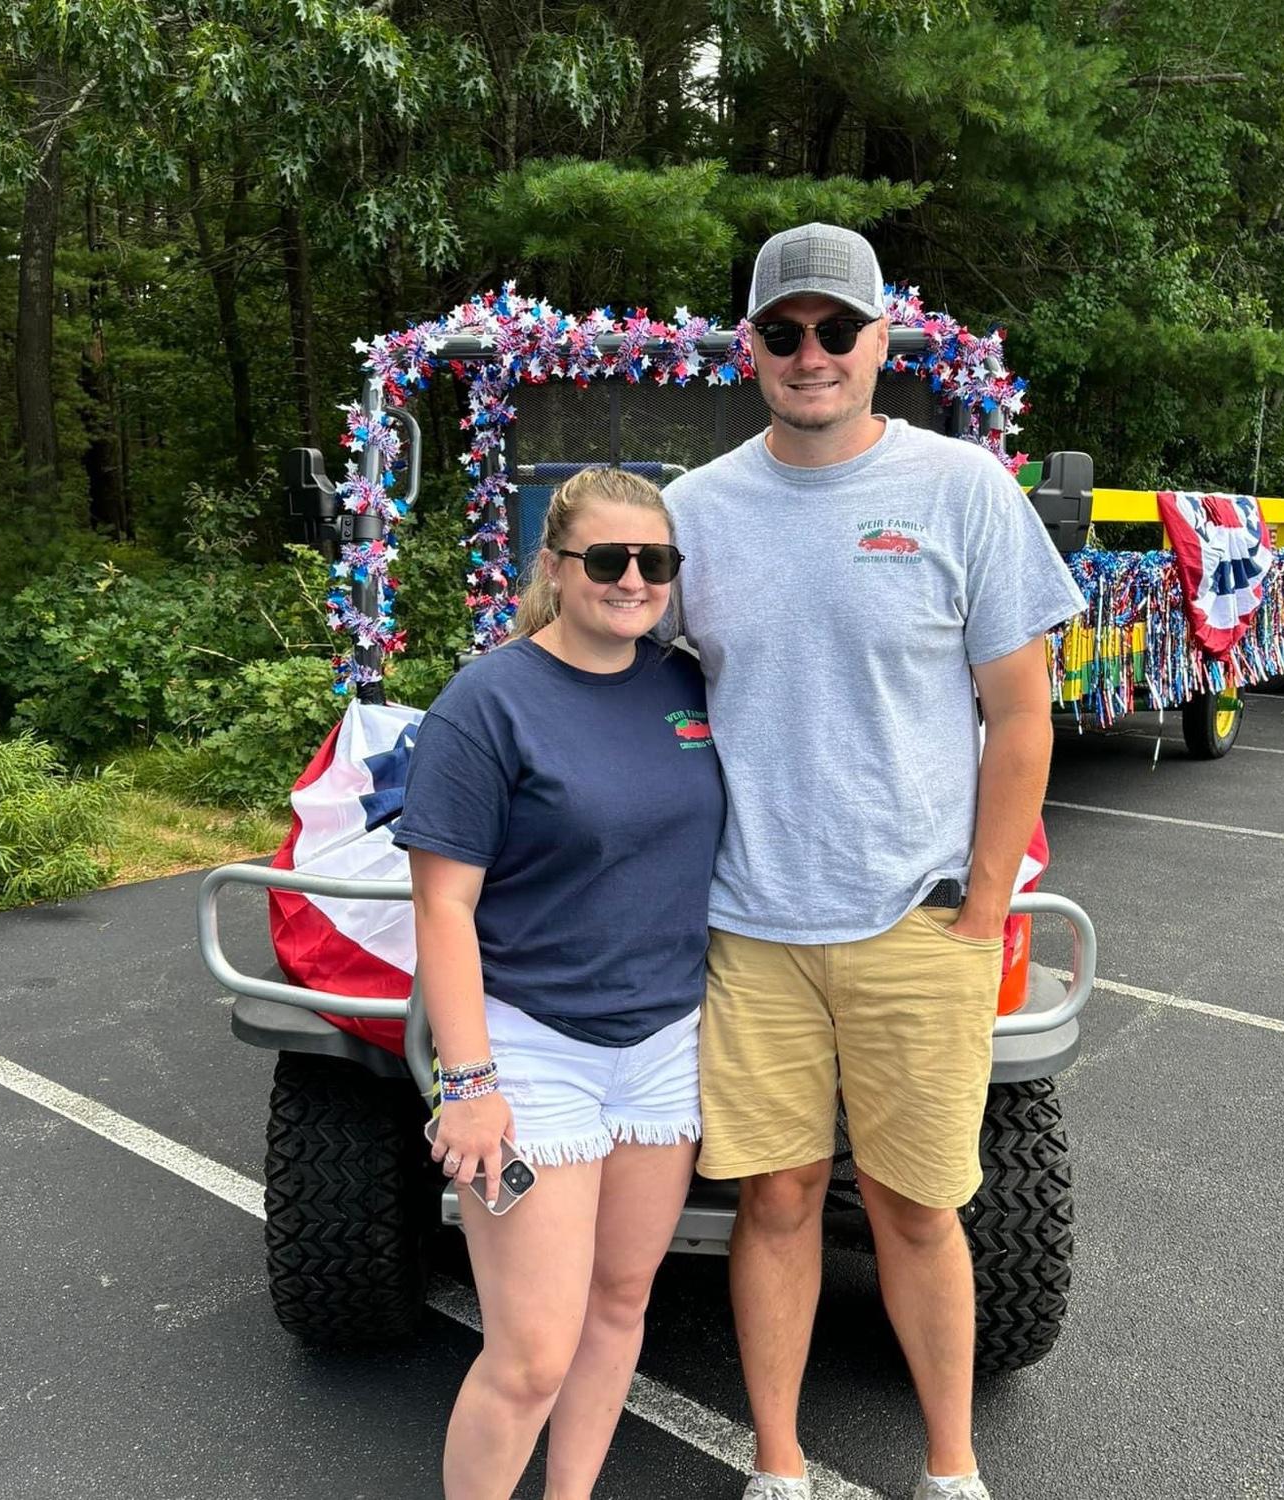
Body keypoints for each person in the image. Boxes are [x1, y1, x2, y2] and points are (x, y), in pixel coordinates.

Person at [661, 223, 1086, 1500]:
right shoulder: (692, 513)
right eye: (784, 331)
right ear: (751, 347)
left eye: (837, 329)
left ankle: (952, 1469)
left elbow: (1022, 718)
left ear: (880, 340)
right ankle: (779, 1465)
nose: (812, 354)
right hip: (751, 928)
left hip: (917, 922)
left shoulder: (963, 490)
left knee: (917, 1208)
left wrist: (983, 910)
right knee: (778, 1201)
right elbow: (609, 668)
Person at [394, 467, 725, 1500]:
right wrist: (468, 1083)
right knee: (532, 1353)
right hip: (532, 1049)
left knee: (619, 1305)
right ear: (553, 564)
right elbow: (443, 908)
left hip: (663, 1047)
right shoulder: (487, 702)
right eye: (607, 558)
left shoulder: (685, 685)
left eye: (654, 560)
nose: (632, 580)